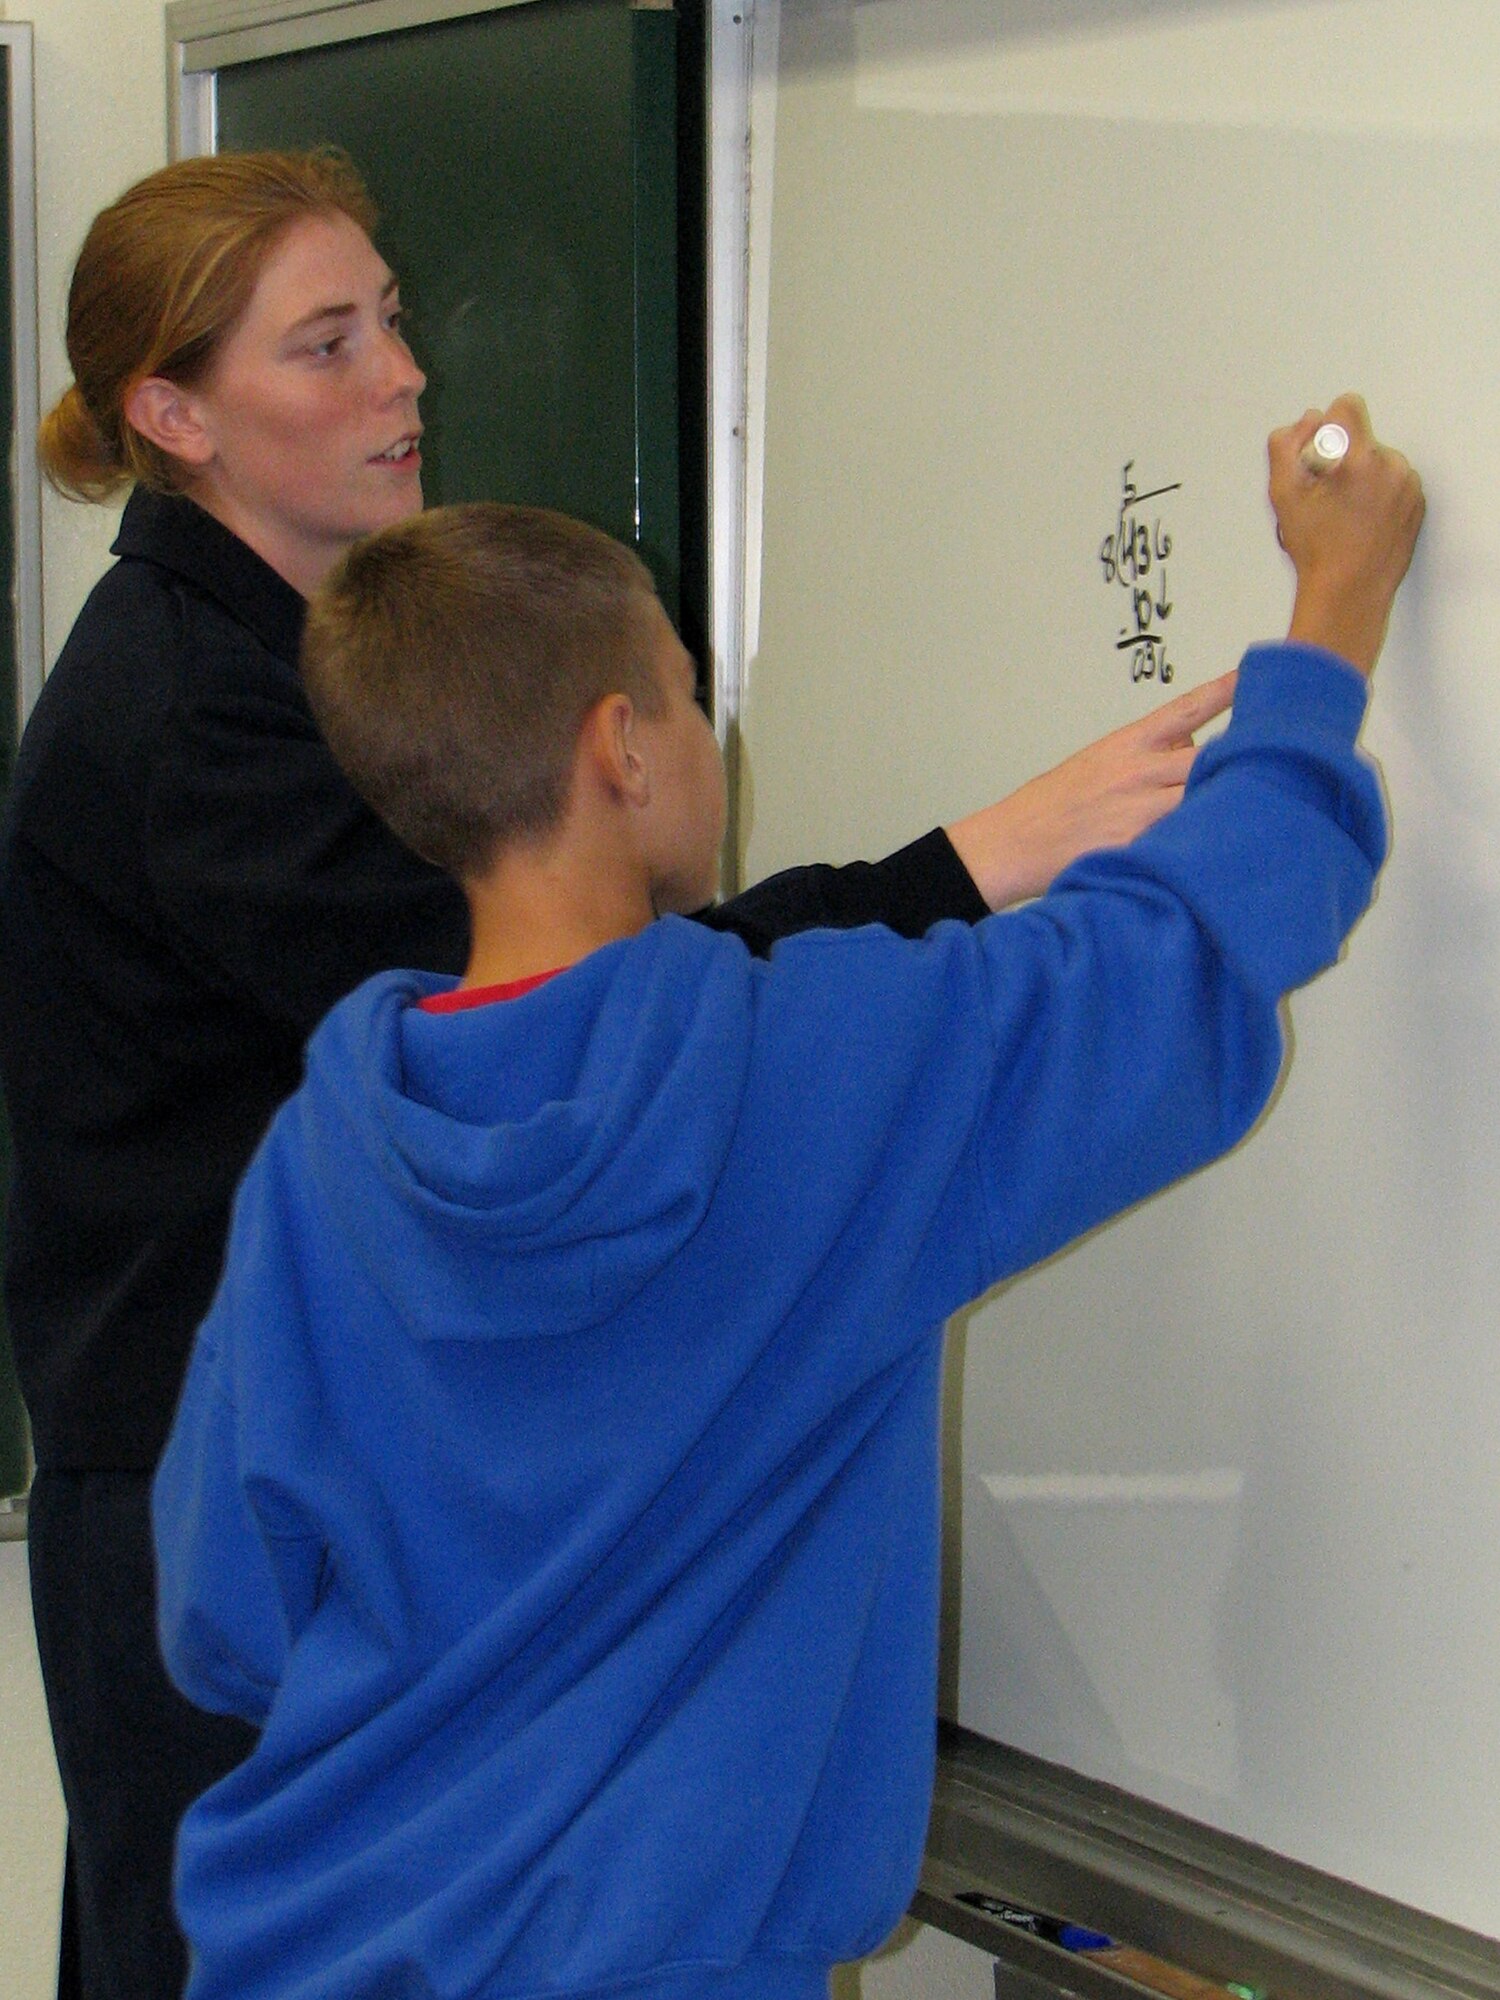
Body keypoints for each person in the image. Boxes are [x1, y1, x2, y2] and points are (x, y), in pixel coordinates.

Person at [0, 149, 1227, 2000]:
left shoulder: (310, 656)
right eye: (324, 347)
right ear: (176, 415)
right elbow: (597, 1011)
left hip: (316, 1508)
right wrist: (980, 861)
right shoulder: (194, 720)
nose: (404, 377)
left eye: (390, 321)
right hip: (215, 1505)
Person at [151, 398, 1421, 2000]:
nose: (705, 737)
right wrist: (1335, 618)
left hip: (308, 1953)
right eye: (689, 700)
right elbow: (1179, 961)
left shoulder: (320, 1159)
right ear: (618, 747)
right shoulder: (823, 1066)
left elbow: (227, 1620)